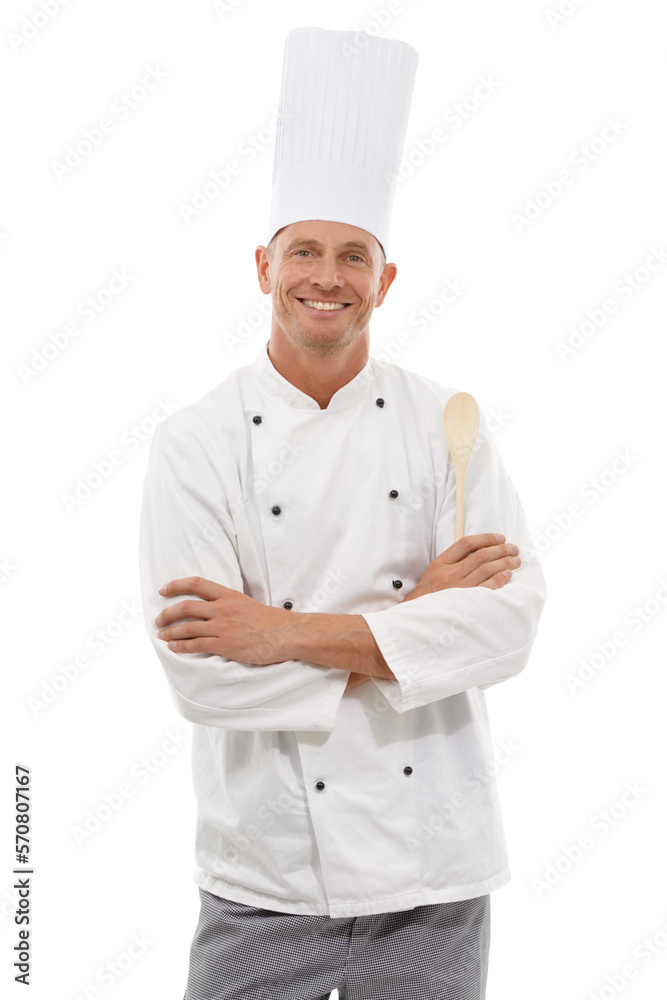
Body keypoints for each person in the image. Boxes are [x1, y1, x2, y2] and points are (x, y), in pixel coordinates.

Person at [138, 27, 547, 1000]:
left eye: (353, 254)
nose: (328, 276)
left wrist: (276, 630)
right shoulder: (195, 442)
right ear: (262, 266)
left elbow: (505, 624)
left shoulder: (447, 423)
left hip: (434, 878)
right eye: (305, 251)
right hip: (264, 877)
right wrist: (414, 632)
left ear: (386, 278)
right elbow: (203, 674)